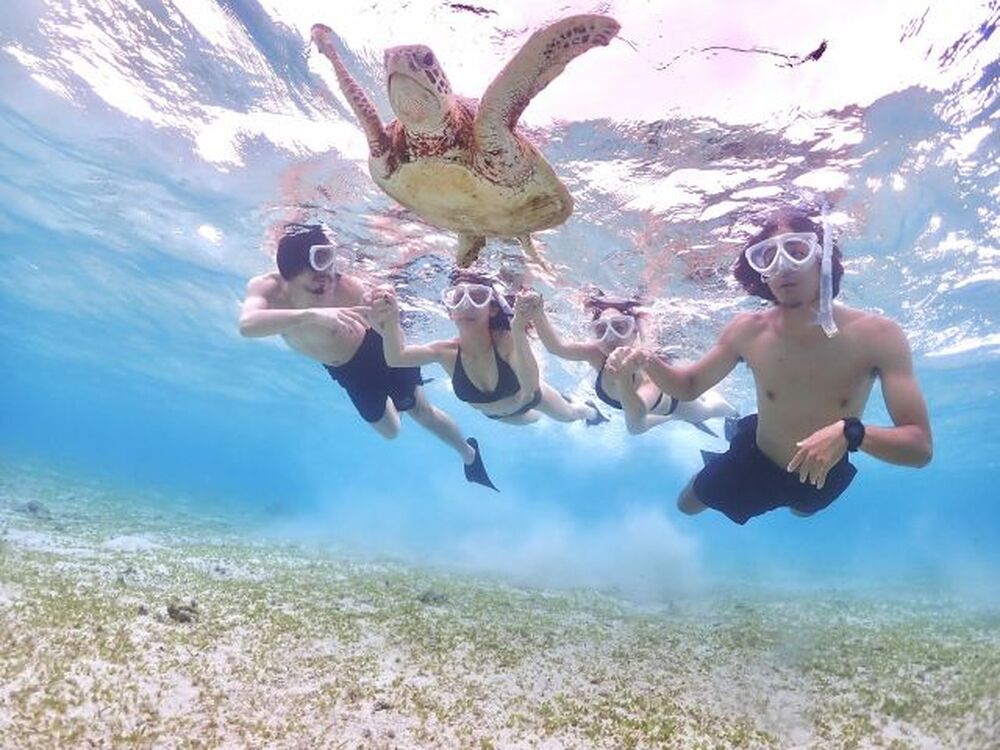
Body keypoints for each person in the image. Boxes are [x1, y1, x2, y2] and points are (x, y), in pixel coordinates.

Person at [608, 207, 933, 524]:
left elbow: (920, 448)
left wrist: (851, 433)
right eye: (768, 257)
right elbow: (688, 387)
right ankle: (739, 437)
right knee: (686, 506)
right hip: (755, 460)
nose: (783, 266)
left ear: (821, 258)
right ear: (760, 270)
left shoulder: (879, 336)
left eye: (797, 251)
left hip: (822, 471)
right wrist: (646, 359)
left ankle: (780, 475)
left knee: (803, 511)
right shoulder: (747, 330)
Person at [238, 224, 497, 490]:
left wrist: (385, 312)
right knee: (390, 432)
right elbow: (247, 325)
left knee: (420, 412)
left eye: (330, 274)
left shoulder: (349, 287)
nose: (327, 286)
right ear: (287, 278)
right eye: (316, 287)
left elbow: (390, 326)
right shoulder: (267, 289)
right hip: (344, 371)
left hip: (376, 350)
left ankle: (469, 455)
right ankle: (402, 398)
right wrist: (312, 315)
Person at [369, 272, 607, 426]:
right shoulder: (445, 352)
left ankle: (589, 412)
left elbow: (530, 386)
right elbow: (396, 358)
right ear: (450, 311)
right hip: (499, 417)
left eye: (477, 297)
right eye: (458, 299)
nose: (467, 305)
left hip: (531, 399)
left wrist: (518, 328)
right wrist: (391, 321)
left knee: (568, 415)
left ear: (492, 309)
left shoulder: (506, 341)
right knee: (531, 421)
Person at [518, 290, 738, 435]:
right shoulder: (595, 353)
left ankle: (734, 413)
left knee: (709, 410)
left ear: (634, 332)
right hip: (648, 415)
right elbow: (557, 348)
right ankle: (673, 418)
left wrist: (624, 376)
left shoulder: (646, 370)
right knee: (660, 421)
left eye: (620, 327)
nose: (610, 337)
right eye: (601, 330)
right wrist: (537, 313)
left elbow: (635, 423)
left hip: (677, 405)